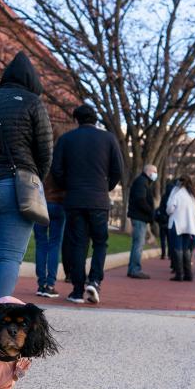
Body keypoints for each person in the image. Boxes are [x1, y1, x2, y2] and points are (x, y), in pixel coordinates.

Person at [0, 51, 53, 304]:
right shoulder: (32, 103)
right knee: (9, 257)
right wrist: (34, 182)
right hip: (15, 188)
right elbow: (45, 152)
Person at [51, 104, 124, 304]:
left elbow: (56, 170)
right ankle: (95, 280)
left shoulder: (66, 140)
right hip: (99, 199)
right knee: (100, 241)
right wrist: (105, 187)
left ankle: (76, 290)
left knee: (79, 243)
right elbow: (118, 170)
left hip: (74, 199)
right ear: (95, 119)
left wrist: (70, 186)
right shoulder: (109, 138)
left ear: (76, 120)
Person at [166, 175, 195, 282]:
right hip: (189, 225)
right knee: (186, 249)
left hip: (176, 223)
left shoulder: (177, 192)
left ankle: (179, 274)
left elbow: (169, 208)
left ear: (180, 182)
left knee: (177, 248)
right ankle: (188, 274)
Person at [34, 173, 66, 298]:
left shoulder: (41, 158)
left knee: (40, 243)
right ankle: (50, 285)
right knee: (55, 244)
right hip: (58, 204)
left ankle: (41, 284)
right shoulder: (62, 160)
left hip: (40, 203)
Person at [126, 164, 158, 279]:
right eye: (155, 171)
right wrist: (151, 212)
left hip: (140, 217)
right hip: (139, 217)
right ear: (148, 171)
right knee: (138, 245)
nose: (156, 174)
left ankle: (132, 268)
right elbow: (141, 200)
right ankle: (135, 269)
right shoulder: (141, 182)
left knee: (138, 244)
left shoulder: (144, 182)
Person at [155, 179, 174, 261]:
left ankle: (163, 254)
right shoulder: (173, 197)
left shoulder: (164, 196)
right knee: (170, 239)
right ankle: (169, 254)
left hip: (162, 220)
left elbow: (161, 207)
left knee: (163, 239)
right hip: (169, 220)